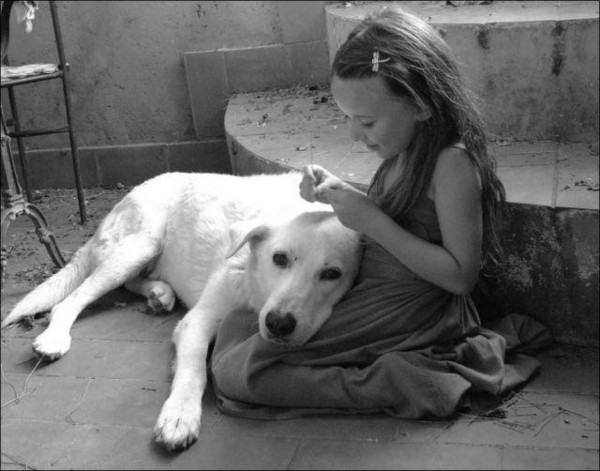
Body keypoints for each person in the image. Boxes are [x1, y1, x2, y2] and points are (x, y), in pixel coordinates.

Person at [210, 5, 551, 419]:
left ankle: (386, 383)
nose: (355, 134)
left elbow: (460, 276)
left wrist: (371, 220)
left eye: (367, 122)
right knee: (234, 327)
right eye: (348, 118)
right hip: (375, 299)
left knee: (237, 372)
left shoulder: (452, 165)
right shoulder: (404, 148)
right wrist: (335, 192)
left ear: (422, 105)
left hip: (410, 315)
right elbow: (398, 214)